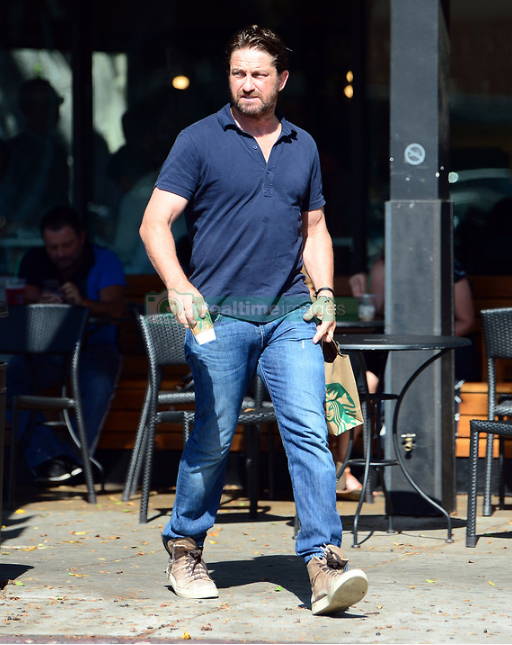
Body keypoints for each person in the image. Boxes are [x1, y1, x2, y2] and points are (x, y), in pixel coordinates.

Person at [139, 25, 369, 616]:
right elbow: (154, 222)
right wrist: (178, 285)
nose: (247, 83)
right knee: (214, 436)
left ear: (281, 79)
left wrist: (325, 294)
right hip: (220, 317)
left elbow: (314, 229)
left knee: (309, 431)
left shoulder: (303, 145)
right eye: (238, 73)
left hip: (291, 313)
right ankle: (185, 545)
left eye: (258, 74)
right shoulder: (198, 140)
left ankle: (323, 561)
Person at [6, 206, 126, 482]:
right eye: (53, 247)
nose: (60, 253)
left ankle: (71, 463)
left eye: (67, 245)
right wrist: (42, 305)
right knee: (8, 378)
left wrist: (81, 303)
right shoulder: (34, 260)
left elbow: (117, 309)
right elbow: (23, 303)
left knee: (98, 384)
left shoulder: (103, 259)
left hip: (95, 347)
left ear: (81, 238)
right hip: (46, 350)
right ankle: (49, 457)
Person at [0, 78, 70, 237]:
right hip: (20, 239)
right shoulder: (13, 151)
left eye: (55, 103)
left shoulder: (58, 150)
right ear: (27, 110)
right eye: (46, 105)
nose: (53, 111)